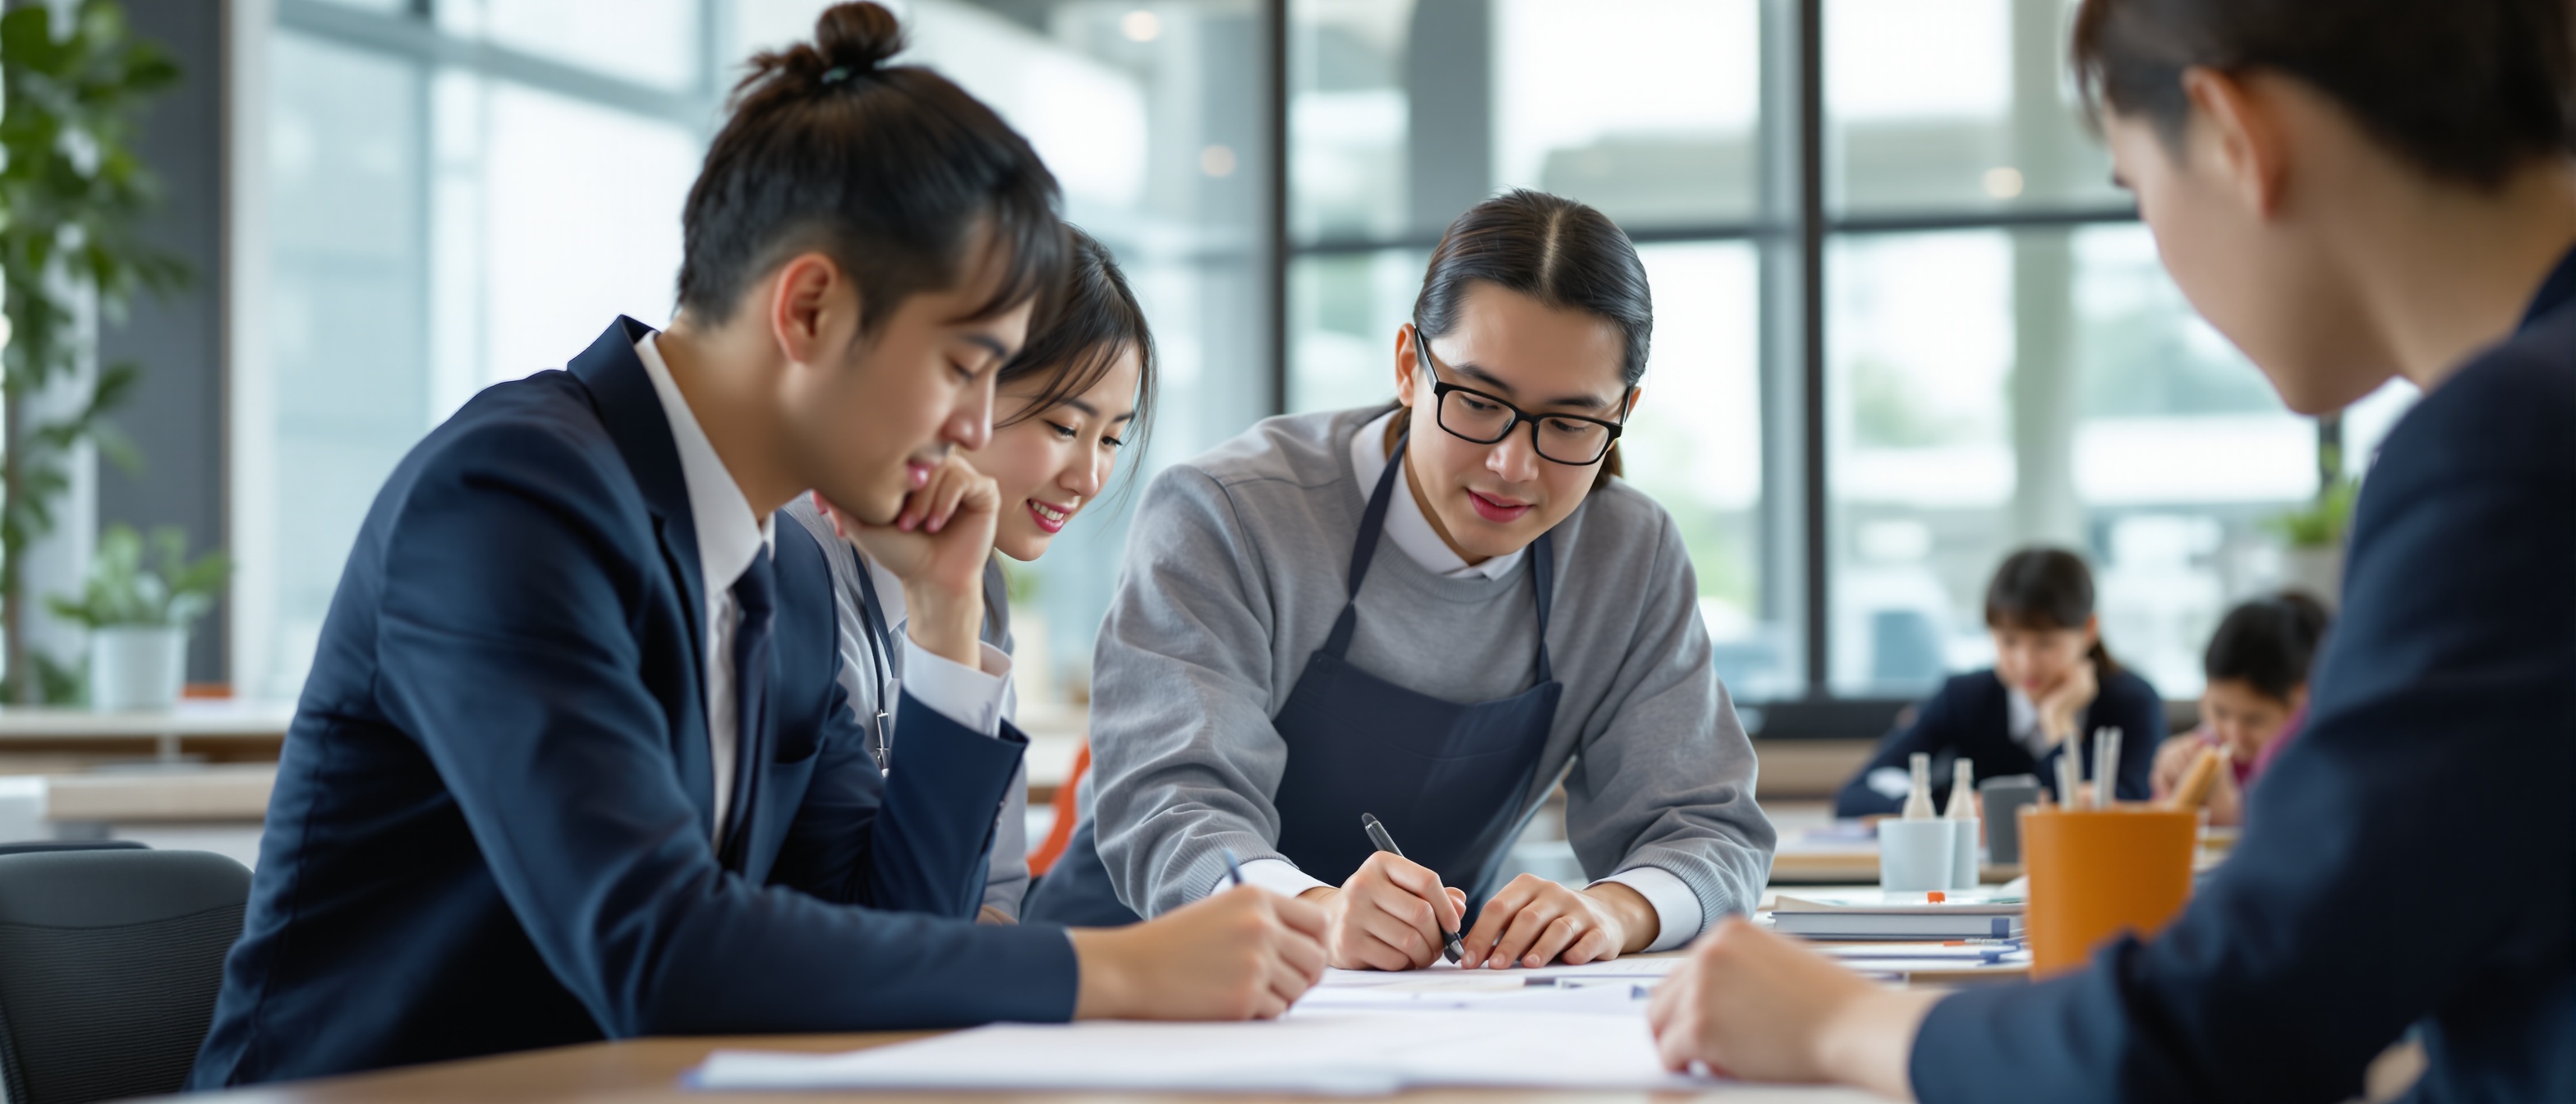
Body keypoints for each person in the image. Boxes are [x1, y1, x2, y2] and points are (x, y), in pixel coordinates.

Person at [191, 5, 1322, 1088]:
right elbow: (657, 951)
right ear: (811, 310)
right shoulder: (513, 498)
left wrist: (941, 626)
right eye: (965, 366)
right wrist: (1107, 968)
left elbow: (891, 937)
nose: (979, 431)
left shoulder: (774, 567)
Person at [1646, 0, 2576, 1099]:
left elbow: (2240, 1019)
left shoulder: (2510, 446)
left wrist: (1848, 1027)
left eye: (2135, 190)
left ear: (2233, 136)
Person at [1025, 189, 1776, 974]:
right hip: (1136, 984)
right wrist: (1318, 913)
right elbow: (1169, 802)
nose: (1512, 465)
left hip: (1416, 998)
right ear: (1409, 367)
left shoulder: (1630, 556)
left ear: (1624, 411)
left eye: (1568, 423)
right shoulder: (1229, 513)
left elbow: (1710, 827)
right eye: (1480, 402)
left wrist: (1613, 911)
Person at [784, 227, 1152, 922]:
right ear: (958, 388)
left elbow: (995, 893)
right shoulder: (795, 562)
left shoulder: (980, 585)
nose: (1089, 476)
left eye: (1110, 439)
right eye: (1063, 427)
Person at [1833, 548, 2164, 818]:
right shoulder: (1966, 696)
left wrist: (2059, 724)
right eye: (2009, 642)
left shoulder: (2132, 701)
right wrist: (1944, 808)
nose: (2025, 662)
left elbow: (2120, 805)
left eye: (2045, 643)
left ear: (2089, 630)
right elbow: (1857, 794)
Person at [2150, 591, 2330, 826]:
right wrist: (2169, 787)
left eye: (2254, 720)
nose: (2234, 735)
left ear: (2301, 701)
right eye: (2220, 712)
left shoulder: (2315, 764)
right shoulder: (2202, 749)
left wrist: (2235, 816)